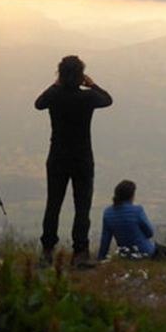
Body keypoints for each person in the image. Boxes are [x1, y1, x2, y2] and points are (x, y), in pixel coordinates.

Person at [35, 55, 112, 268]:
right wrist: (92, 83)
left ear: (60, 74)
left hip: (57, 157)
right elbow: (108, 99)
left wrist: (56, 84)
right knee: (82, 206)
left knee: (53, 204)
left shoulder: (55, 96)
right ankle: (80, 252)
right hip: (82, 158)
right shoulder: (87, 98)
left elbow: (38, 104)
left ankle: (47, 250)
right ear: (80, 75)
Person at [97, 179, 166, 261]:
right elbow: (149, 232)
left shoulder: (108, 213)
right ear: (131, 196)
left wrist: (100, 258)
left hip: (125, 256)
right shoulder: (137, 210)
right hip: (146, 253)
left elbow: (105, 240)